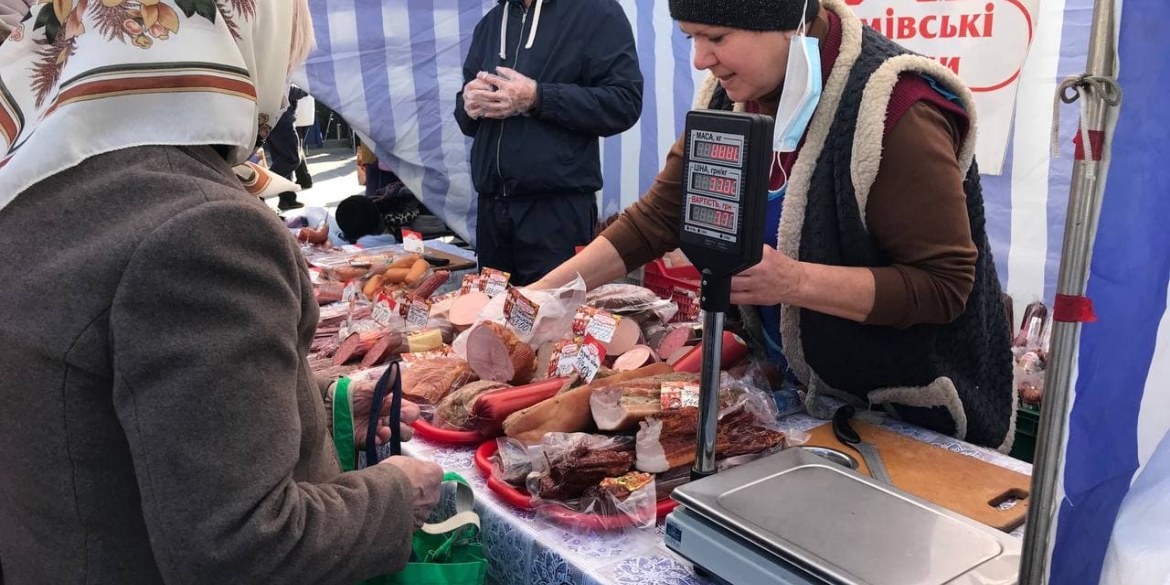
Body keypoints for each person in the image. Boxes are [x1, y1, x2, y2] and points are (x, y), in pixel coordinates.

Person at [0, 2, 443, 584]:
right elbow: (243, 548)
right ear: (236, 41)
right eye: (287, 60)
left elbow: (133, 398)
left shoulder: (36, 186)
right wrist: (391, 498)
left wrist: (322, 404)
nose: (282, 89)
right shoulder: (198, 229)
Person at [532, 0, 1015, 450]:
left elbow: (944, 287)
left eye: (716, 37)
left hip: (902, 415)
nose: (701, 59)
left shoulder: (895, 107)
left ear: (789, 21)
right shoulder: (729, 98)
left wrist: (794, 281)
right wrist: (543, 294)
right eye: (690, 38)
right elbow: (660, 217)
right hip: (798, 396)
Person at [454, 0, 644, 286]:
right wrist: (468, 104)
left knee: (554, 323)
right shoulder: (492, 22)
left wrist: (537, 97)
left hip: (555, 213)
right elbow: (467, 119)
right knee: (494, 322)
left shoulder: (597, 12)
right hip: (492, 210)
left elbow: (624, 103)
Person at [268, 85, 312, 210]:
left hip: (274, 118)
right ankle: (260, 184)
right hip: (283, 119)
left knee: (282, 160)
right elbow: (290, 90)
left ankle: (287, 199)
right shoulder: (286, 70)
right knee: (292, 159)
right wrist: (306, 87)